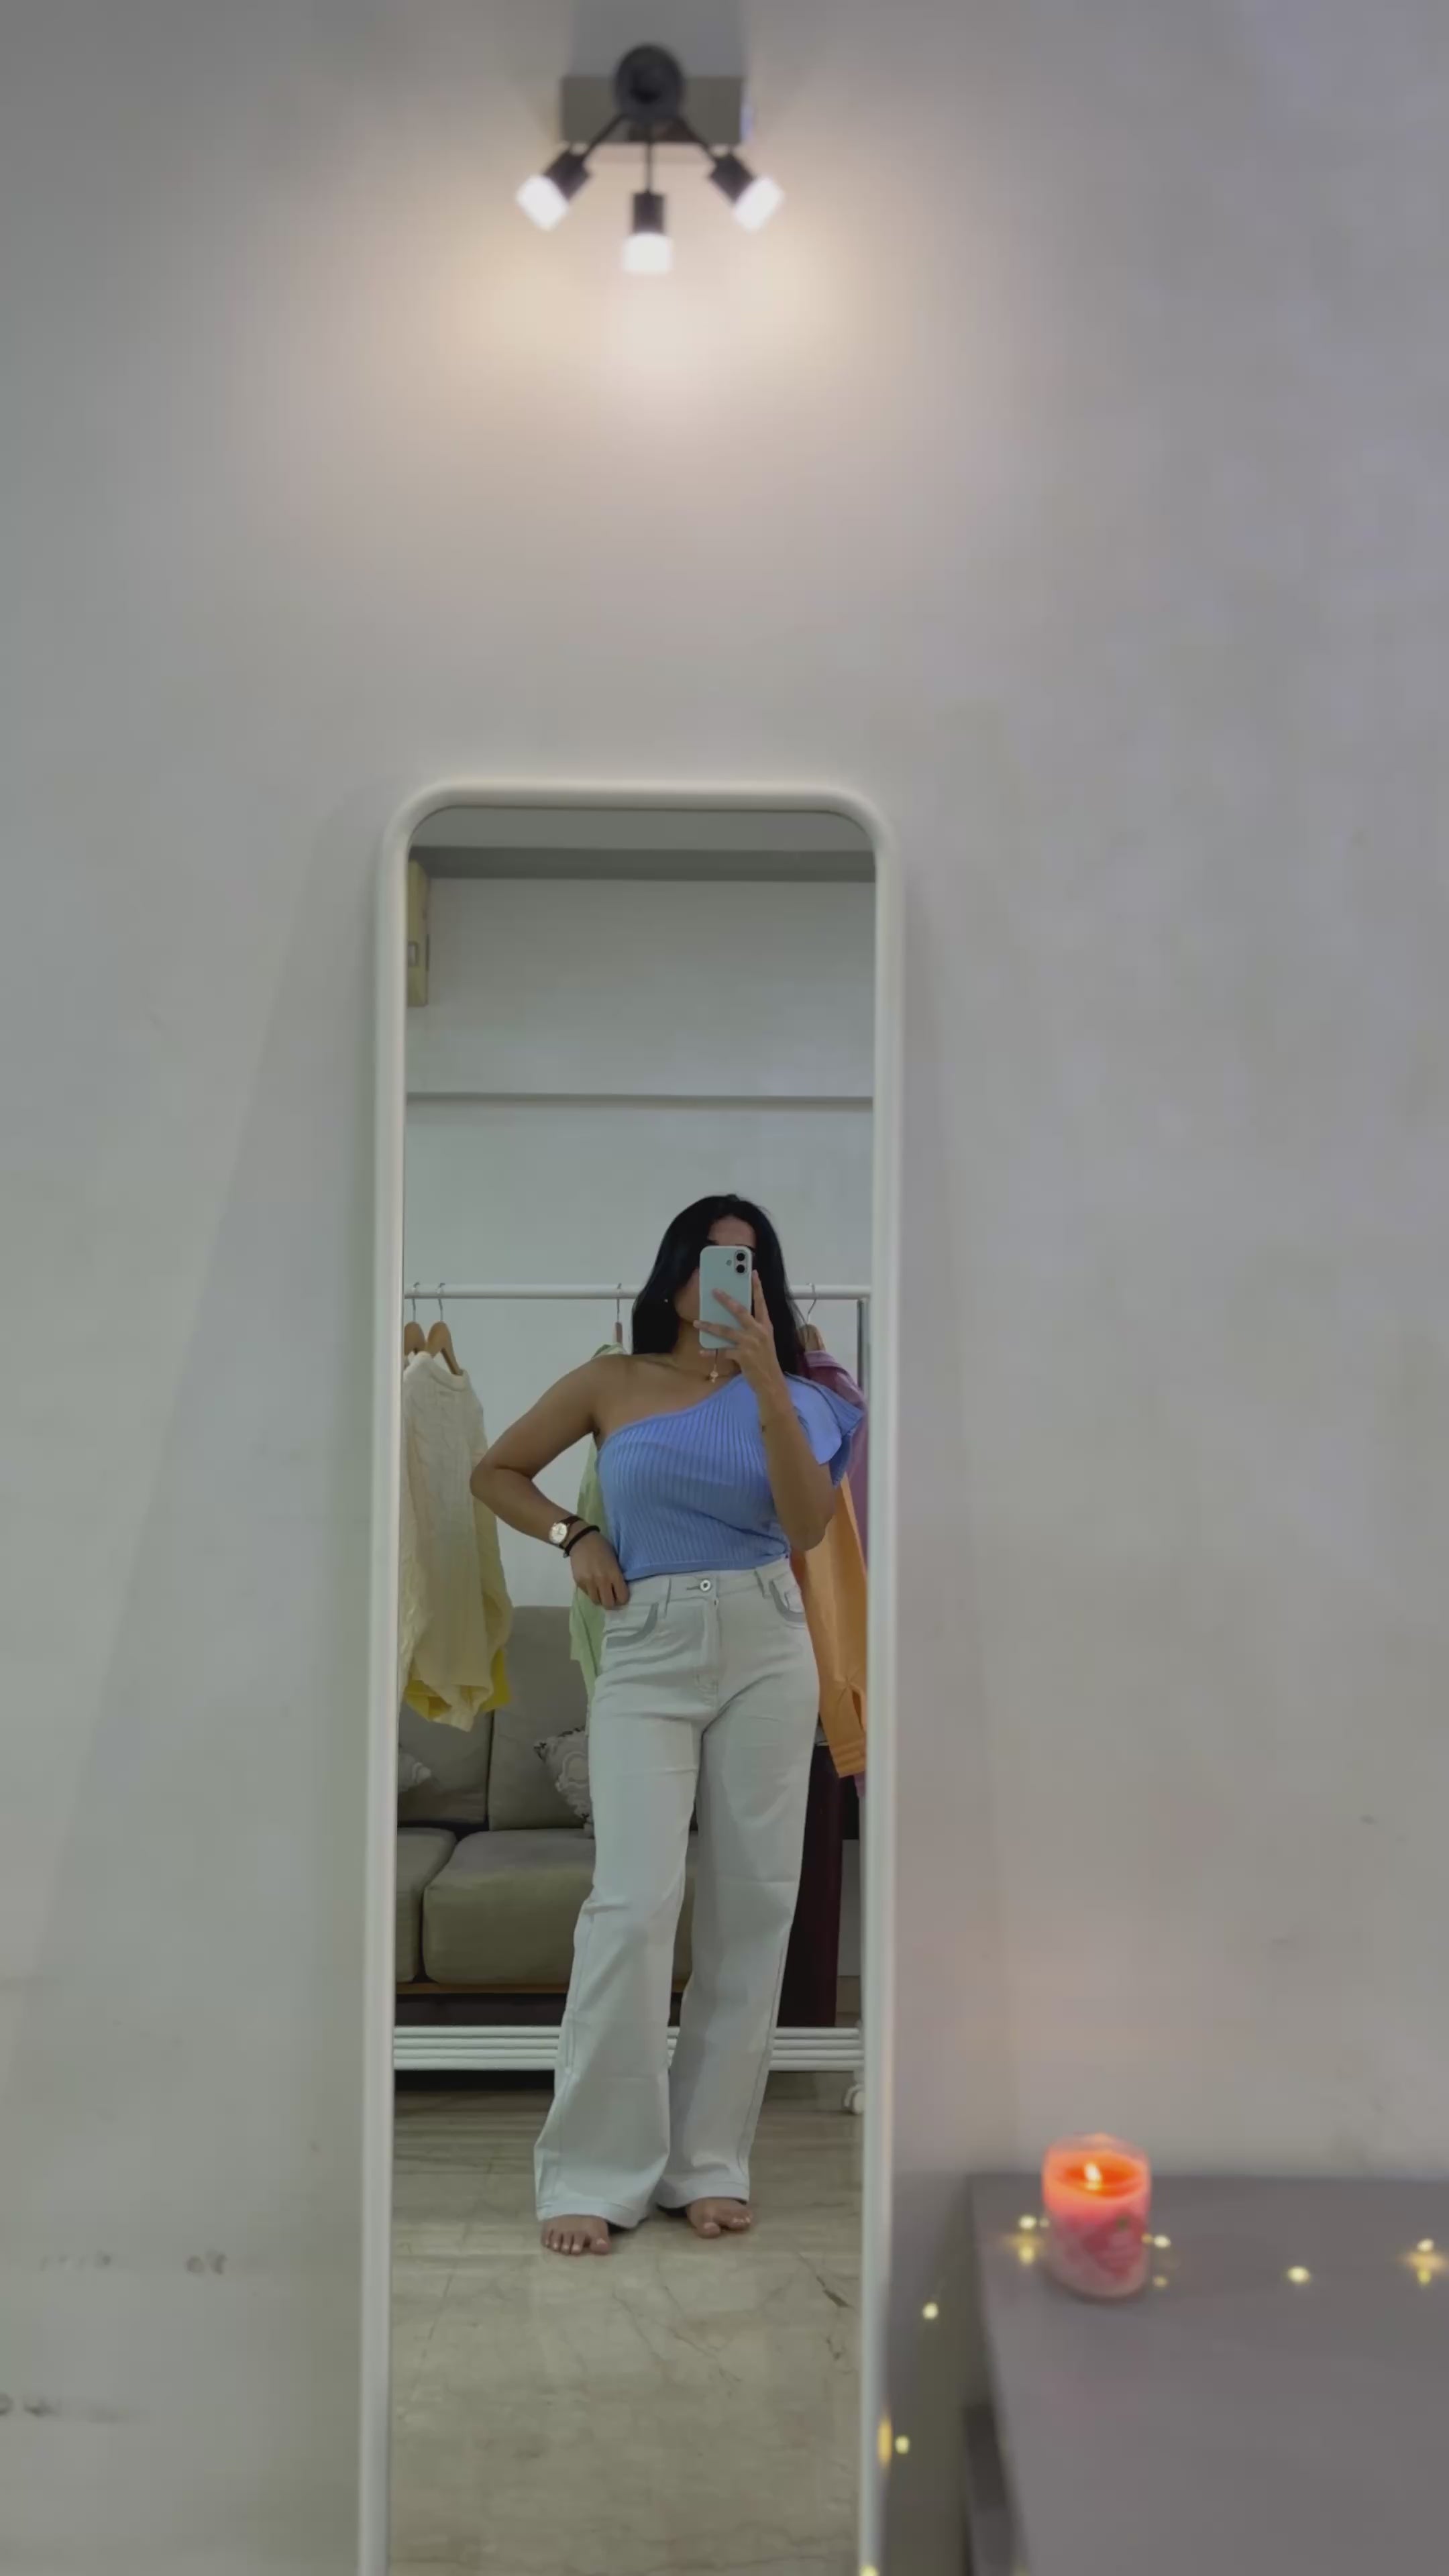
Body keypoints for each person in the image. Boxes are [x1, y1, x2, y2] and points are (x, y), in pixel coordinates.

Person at [472, 1195, 863, 2257]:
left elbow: (806, 1524)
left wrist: (768, 1378)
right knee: (631, 1909)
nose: (723, 1275)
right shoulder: (613, 1380)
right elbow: (494, 1471)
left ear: (766, 1282)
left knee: (754, 1905)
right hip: (645, 1644)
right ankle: (594, 2171)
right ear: (673, 1270)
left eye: (747, 1261)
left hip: (766, 1640)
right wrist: (575, 1533)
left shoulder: (808, 1395)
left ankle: (709, 2163)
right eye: (707, 1257)